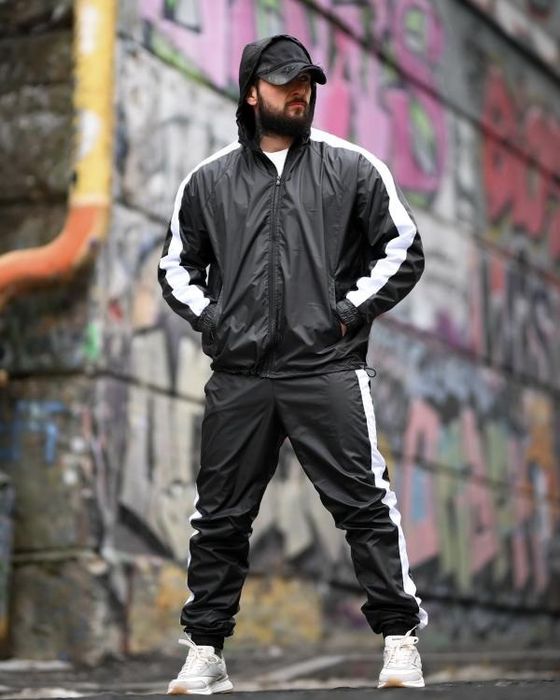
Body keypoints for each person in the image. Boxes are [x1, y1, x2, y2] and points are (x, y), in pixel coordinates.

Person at [159, 34, 428, 694]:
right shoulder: (209, 181)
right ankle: (205, 651)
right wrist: (216, 321)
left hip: (325, 368)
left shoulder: (352, 169)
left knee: (364, 503)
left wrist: (346, 313)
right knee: (219, 518)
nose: (299, 93)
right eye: (284, 83)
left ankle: (400, 640)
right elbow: (175, 266)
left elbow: (403, 248)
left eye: (306, 81)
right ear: (253, 92)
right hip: (241, 376)